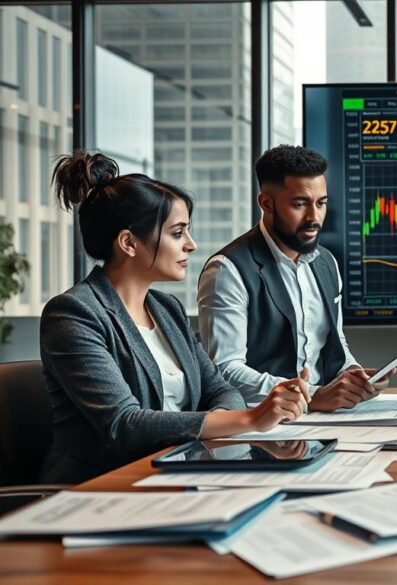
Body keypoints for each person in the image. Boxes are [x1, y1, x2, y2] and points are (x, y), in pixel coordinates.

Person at [40, 152, 310, 484]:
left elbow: (220, 390)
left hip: (180, 472)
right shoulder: (74, 313)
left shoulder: (167, 309)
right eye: (178, 233)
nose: (191, 245)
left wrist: (235, 421)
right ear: (129, 243)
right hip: (107, 486)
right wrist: (250, 419)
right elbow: (125, 424)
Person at [198, 145, 393, 411]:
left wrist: (353, 376)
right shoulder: (226, 270)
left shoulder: (327, 262)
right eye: (300, 204)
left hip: (324, 421)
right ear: (266, 203)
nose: (314, 217)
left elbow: (333, 341)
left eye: (321, 203)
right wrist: (313, 395)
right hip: (259, 426)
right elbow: (223, 370)